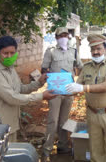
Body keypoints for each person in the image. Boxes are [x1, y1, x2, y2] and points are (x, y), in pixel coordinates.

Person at [0, 36, 56, 142]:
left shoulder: (10, 68)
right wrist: (41, 96)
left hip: (10, 122)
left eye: (12, 53)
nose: (9, 56)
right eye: (5, 53)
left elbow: (20, 89)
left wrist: (39, 83)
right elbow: (11, 97)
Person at [66, 34, 106, 162]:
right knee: (95, 151)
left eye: (98, 48)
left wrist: (84, 88)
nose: (95, 52)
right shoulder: (87, 67)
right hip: (92, 114)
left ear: (105, 49)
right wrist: (60, 89)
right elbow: (77, 87)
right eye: (93, 49)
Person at [41, 27, 83, 161]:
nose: (64, 37)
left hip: (69, 91)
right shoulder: (50, 51)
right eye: (61, 36)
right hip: (55, 91)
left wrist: (78, 84)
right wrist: (50, 79)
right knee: (53, 120)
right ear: (56, 38)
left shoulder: (74, 51)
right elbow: (44, 68)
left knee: (64, 120)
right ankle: (46, 150)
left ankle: (62, 145)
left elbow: (79, 66)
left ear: (69, 37)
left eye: (66, 35)